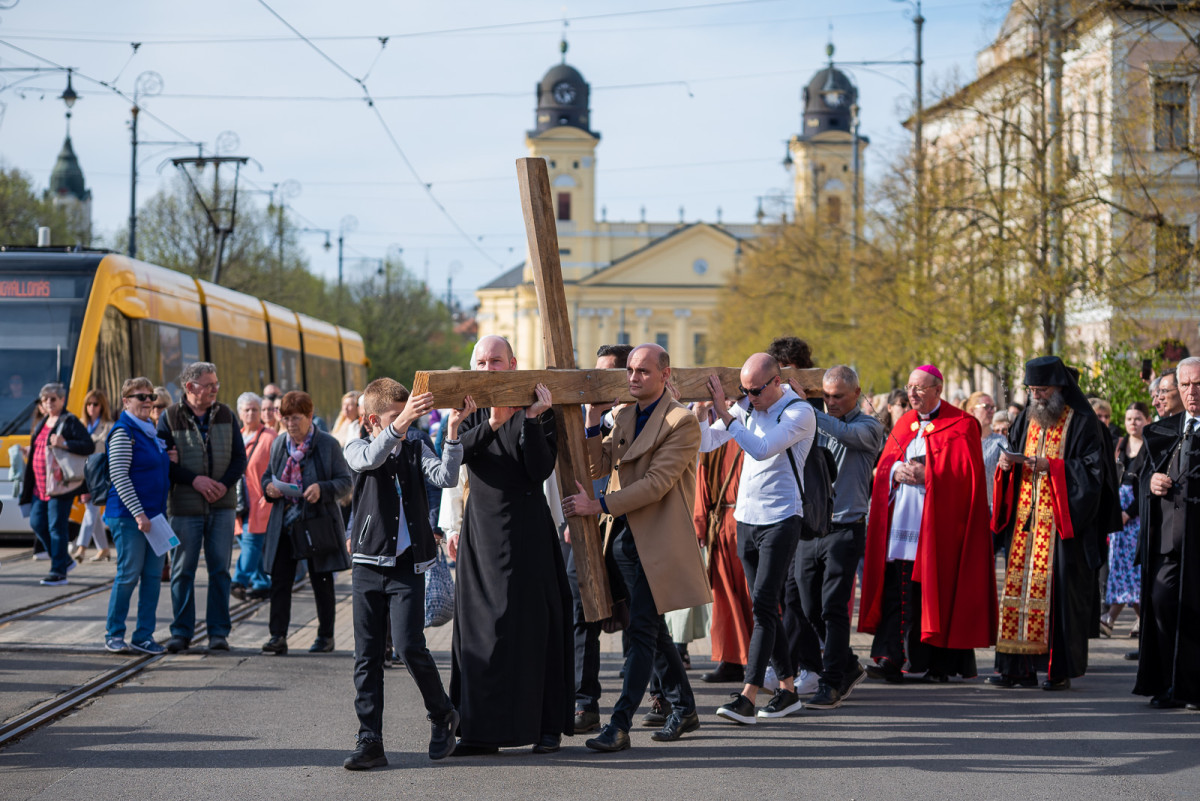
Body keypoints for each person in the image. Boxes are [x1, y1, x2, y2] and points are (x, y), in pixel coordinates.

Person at [564, 342, 707, 752]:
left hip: (656, 542)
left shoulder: (682, 421)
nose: (633, 377)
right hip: (621, 538)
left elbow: (655, 484)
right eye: (630, 370)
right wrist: (593, 421)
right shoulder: (624, 415)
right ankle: (685, 708)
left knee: (642, 632)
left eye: (643, 370)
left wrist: (598, 505)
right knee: (650, 628)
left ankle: (620, 724)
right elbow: (598, 465)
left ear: (665, 374)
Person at [449, 335, 573, 755]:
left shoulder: (539, 406)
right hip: (481, 535)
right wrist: (492, 423)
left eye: (496, 361)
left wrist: (532, 420)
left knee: (535, 628)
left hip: (527, 532)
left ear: (513, 364)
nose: (488, 369)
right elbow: (458, 456)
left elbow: (539, 469)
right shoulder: (466, 409)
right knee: (482, 632)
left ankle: (545, 727)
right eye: (481, 362)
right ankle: (480, 732)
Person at [341, 378, 471, 769]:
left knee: (409, 645)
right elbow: (370, 460)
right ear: (372, 421)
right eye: (397, 416)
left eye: (409, 415)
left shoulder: (415, 444)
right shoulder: (357, 446)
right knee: (366, 655)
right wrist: (399, 427)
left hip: (407, 565)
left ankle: (442, 714)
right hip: (367, 564)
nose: (407, 422)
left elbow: (446, 478)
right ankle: (370, 740)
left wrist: (452, 434)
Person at [694, 353, 815, 723]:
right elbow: (706, 443)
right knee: (763, 607)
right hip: (746, 519)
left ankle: (748, 695)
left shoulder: (798, 412)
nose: (750, 397)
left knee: (763, 604)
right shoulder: (748, 406)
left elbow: (761, 450)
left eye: (757, 390)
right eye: (744, 390)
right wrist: (701, 414)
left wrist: (726, 413)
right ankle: (788, 691)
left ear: (777, 381)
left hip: (781, 518)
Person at [860, 365, 998, 682]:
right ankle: (892, 658)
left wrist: (930, 475)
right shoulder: (904, 423)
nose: (912, 393)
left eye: (920, 388)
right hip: (901, 522)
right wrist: (894, 473)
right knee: (897, 589)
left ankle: (939, 665)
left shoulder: (962, 424)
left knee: (934, 593)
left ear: (938, 389)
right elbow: (884, 466)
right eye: (910, 387)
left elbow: (967, 477)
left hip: (939, 526)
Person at [990, 356, 1121, 690]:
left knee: (1058, 600)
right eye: (1032, 389)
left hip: (1063, 528)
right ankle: (1017, 669)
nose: (1037, 396)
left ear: (1060, 387)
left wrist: (1052, 467)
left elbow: (1095, 473)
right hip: (1025, 524)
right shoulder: (1026, 418)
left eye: (1042, 390)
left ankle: (1057, 671)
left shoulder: (1083, 421)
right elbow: (1016, 453)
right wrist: (1007, 465)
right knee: (1018, 595)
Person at [790, 365, 883, 708]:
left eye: (838, 396)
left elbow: (845, 434)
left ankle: (831, 682)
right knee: (807, 606)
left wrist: (805, 410)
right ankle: (847, 664)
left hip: (846, 528)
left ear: (857, 393)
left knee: (833, 608)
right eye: (826, 396)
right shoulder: (815, 421)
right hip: (811, 527)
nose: (831, 403)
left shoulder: (869, 427)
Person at [158, 362, 248, 653]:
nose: (215, 389)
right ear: (190, 387)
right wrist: (193, 480)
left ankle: (218, 633)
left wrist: (224, 484)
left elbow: (239, 458)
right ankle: (181, 632)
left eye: (216, 384)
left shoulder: (226, 415)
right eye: (209, 385)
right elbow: (163, 463)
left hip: (222, 506)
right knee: (182, 570)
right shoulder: (169, 417)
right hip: (184, 507)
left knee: (220, 570)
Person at [568, 343, 633, 734]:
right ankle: (584, 701)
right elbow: (583, 467)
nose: (595, 381)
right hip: (586, 524)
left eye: (605, 374)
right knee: (582, 611)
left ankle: (662, 695)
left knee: (641, 615)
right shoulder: (586, 415)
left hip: (627, 526)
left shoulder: (640, 415)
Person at [261, 391, 352, 654]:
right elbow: (267, 476)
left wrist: (322, 489)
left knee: (321, 580)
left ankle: (325, 636)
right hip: (286, 523)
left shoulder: (327, 444)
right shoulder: (279, 444)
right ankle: (277, 636)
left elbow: (346, 482)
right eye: (286, 418)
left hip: (317, 523)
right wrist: (269, 488)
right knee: (280, 581)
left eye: (296, 418)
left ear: (310, 416)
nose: (290, 424)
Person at [1135, 356, 1200, 708]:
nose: (1192, 392)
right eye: (1185, 385)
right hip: (1170, 542)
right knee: (1161, 602)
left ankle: (1192, 689)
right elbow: (1143, 475)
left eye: (1198, 385)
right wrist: (1152, 481)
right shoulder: (1164, 430)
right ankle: (1171, 684)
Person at [103, 377, 174, 655]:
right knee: (129, 574)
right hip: (130, 516)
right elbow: (119, 476)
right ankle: (114, 633)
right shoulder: (124, 432)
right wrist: (139, 513)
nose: (148, 401)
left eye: (150, 396)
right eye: (141, 396)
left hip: (155, 516)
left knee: (153, 576)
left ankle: (144, 635)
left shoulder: (150, 431)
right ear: (126, 401)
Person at [21, 382, 95, 585]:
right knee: (37, 523)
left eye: (53, 399)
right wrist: (30, 451)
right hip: (39, 486)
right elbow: (43, 448)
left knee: (57, 527)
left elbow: (88, 445)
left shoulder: (70, 421)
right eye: (45, 399)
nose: (48, 402)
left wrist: (65, 443)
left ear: (62, 400)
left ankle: (58, 572)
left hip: (60, 485)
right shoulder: (43, 422)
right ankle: (63, 560)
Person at [693, 438, 751, 685]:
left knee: (754, 595)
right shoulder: (715, 437)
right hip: (722, 523)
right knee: (724, 596)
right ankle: (731, 660)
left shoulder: (761, 432)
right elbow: (702, 480)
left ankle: (765, 660)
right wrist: (699, 525)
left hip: (752, 523)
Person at [1101, 402, 1149, 636]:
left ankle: (1113, 618)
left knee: (1135, 570)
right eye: (1129, 419)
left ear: (1147, 421)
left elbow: (1146, 486)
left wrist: (1129, 512)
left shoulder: (1150, 447)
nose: (1133, 423)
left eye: (1138, 418)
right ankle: (1121, 618)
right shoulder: (1118, 445)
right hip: (1116, 516)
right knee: (1118, 567)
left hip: (1136, 517)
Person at [231, 392, 276, 602]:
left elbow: (279, 468)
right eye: (246, 410)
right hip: (239, 500)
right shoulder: (237, 437)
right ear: (240, 413)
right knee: (246, 541)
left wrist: (270, 493)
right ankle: (262, 583)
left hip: (260, 499)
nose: (250, 413)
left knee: (252, 541)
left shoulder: (269, 437)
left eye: (254, 409)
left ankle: (238, 581)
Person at [74, 388, 114, 561]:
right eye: (88, 404)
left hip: (99, 475)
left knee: (91, 510)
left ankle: (81, 547)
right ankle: (104, 548)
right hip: (83, 475)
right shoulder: (80, 425)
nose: (91, 407)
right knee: (93, 512)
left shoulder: (109, 426)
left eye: (95, 404)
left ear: (102, 406)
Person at [967, 391, 1004, 510]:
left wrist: (1006, 461)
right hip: (966, 506)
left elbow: (1005, 463)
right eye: (986, 407)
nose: (991, 411)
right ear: (972, 410)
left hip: (989, 508)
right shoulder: (962, 440)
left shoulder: (1000, 441)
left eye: (993, 407)